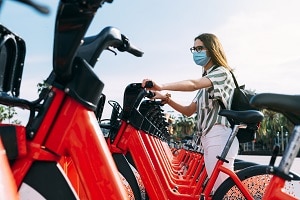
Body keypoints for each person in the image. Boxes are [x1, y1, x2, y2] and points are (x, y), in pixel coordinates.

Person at [142, 33, 239, 190]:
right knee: (216, 189)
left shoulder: (221, 72)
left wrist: (162, 86)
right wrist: (166, 99)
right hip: (208, 138)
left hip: (219, 134)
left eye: (200, 48)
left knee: (223, 190)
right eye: (194, 49)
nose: (196, 53)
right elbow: (188, 111)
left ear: (212, 49)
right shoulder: (206, 81)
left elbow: (193, 84)